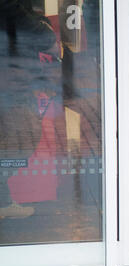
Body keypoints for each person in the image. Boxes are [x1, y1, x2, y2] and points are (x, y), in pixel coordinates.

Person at [0, 0, 57, 219]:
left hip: (10, 77)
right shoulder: (10, 5)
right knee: (22, 138)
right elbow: (42, 37)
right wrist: (43, 26)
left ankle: (3, 202)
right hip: (11, 79)